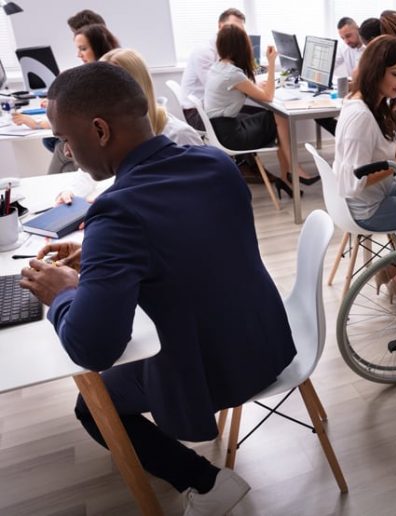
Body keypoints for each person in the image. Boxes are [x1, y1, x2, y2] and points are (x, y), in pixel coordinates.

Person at [19, 62, 296, 514]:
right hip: (268, 342)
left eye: (65, 141)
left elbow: (93, 348)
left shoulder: (117, 211)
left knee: (92, 404)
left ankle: (206, 485)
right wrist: (100, 260)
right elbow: (186, 243)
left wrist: (62, 293)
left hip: (216, 369)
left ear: (100, 130)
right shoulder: (216, 163)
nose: (66, 152)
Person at [55, 48, 204, 205]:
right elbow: (90, 169)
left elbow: (193, 193)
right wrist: (72, 192)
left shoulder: (179, 135)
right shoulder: (110, 132)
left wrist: (113, 200)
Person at [205, 24, 312, 197]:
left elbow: (244, 87)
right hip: (232, 137)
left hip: (220, 129)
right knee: (280, 116)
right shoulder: (233, 74)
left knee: (277, 118)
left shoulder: (218, 67)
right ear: (240, 46)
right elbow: (268, 97)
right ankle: (292, 170)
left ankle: (287, 176)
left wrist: (255, 86)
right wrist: (271, 64)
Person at [334, 35, 396, 233]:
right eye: (395, 74)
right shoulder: (361, 117)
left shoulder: (365, 102)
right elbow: (356, 180)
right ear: (376, 71)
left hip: (366, 198)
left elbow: (376, 154)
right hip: (367, 209)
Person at [11, 21, 120, 174]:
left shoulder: (98, 79)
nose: (78, 54)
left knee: (60, 147)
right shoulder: (106, 71)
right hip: (98, 142)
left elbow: (76, 121)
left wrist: (35, 124)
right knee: (57, 145)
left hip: (100, 146)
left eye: (83, 49)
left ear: (97, 47)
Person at [180, 8, 246, 130]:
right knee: (266, 118)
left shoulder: (227, 51)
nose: (235, 33)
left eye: (240, 30)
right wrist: (249, 86)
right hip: (197, 114)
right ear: (220, 26)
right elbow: (216, 87)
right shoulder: (204, 51)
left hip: (212, 107)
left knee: (263, 115)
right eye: (233, 27)